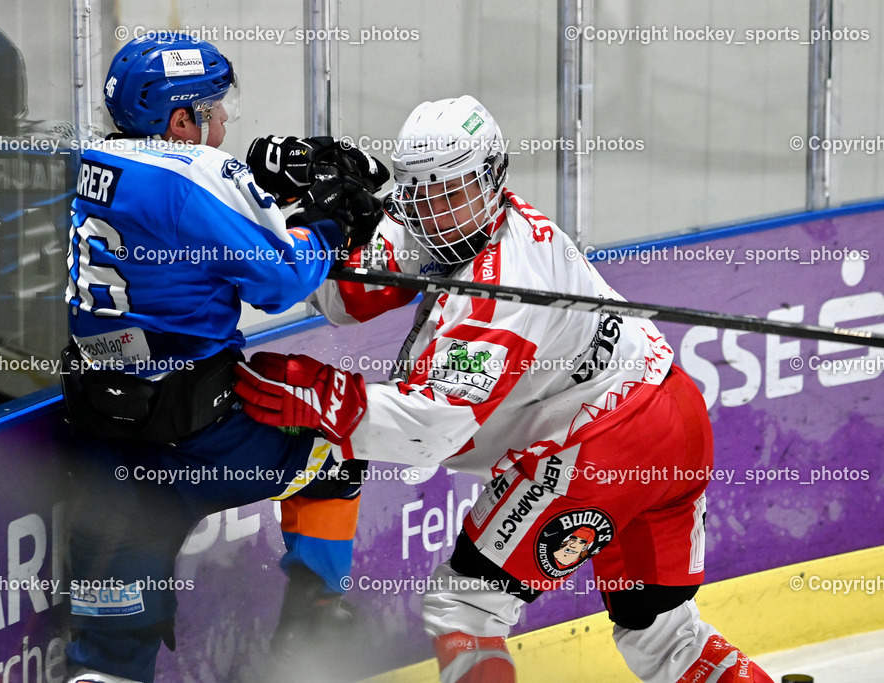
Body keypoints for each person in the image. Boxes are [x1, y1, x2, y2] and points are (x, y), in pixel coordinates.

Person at [234, 95, 774, 683]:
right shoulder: (452, 223)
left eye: (453, 190)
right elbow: (347, 299)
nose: (437, 209)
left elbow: (431, 431)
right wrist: (321, 220)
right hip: (671, 417)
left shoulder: (501, 292)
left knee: (466, 607)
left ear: (491, 178)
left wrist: (329, 397)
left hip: (604, 441)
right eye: (419, 190)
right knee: (662, 633)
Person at [61, 33, 386, 683]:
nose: (224, 119)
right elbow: (282, 281)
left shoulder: (92, 157)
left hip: (101, 439)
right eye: (213, 107)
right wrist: (326, 221)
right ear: (180, 119)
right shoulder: (198, 173)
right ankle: (313, 621)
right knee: (342, 438)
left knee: (108, 660)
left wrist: (263, 194)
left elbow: (180, 226)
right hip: (198, 437)